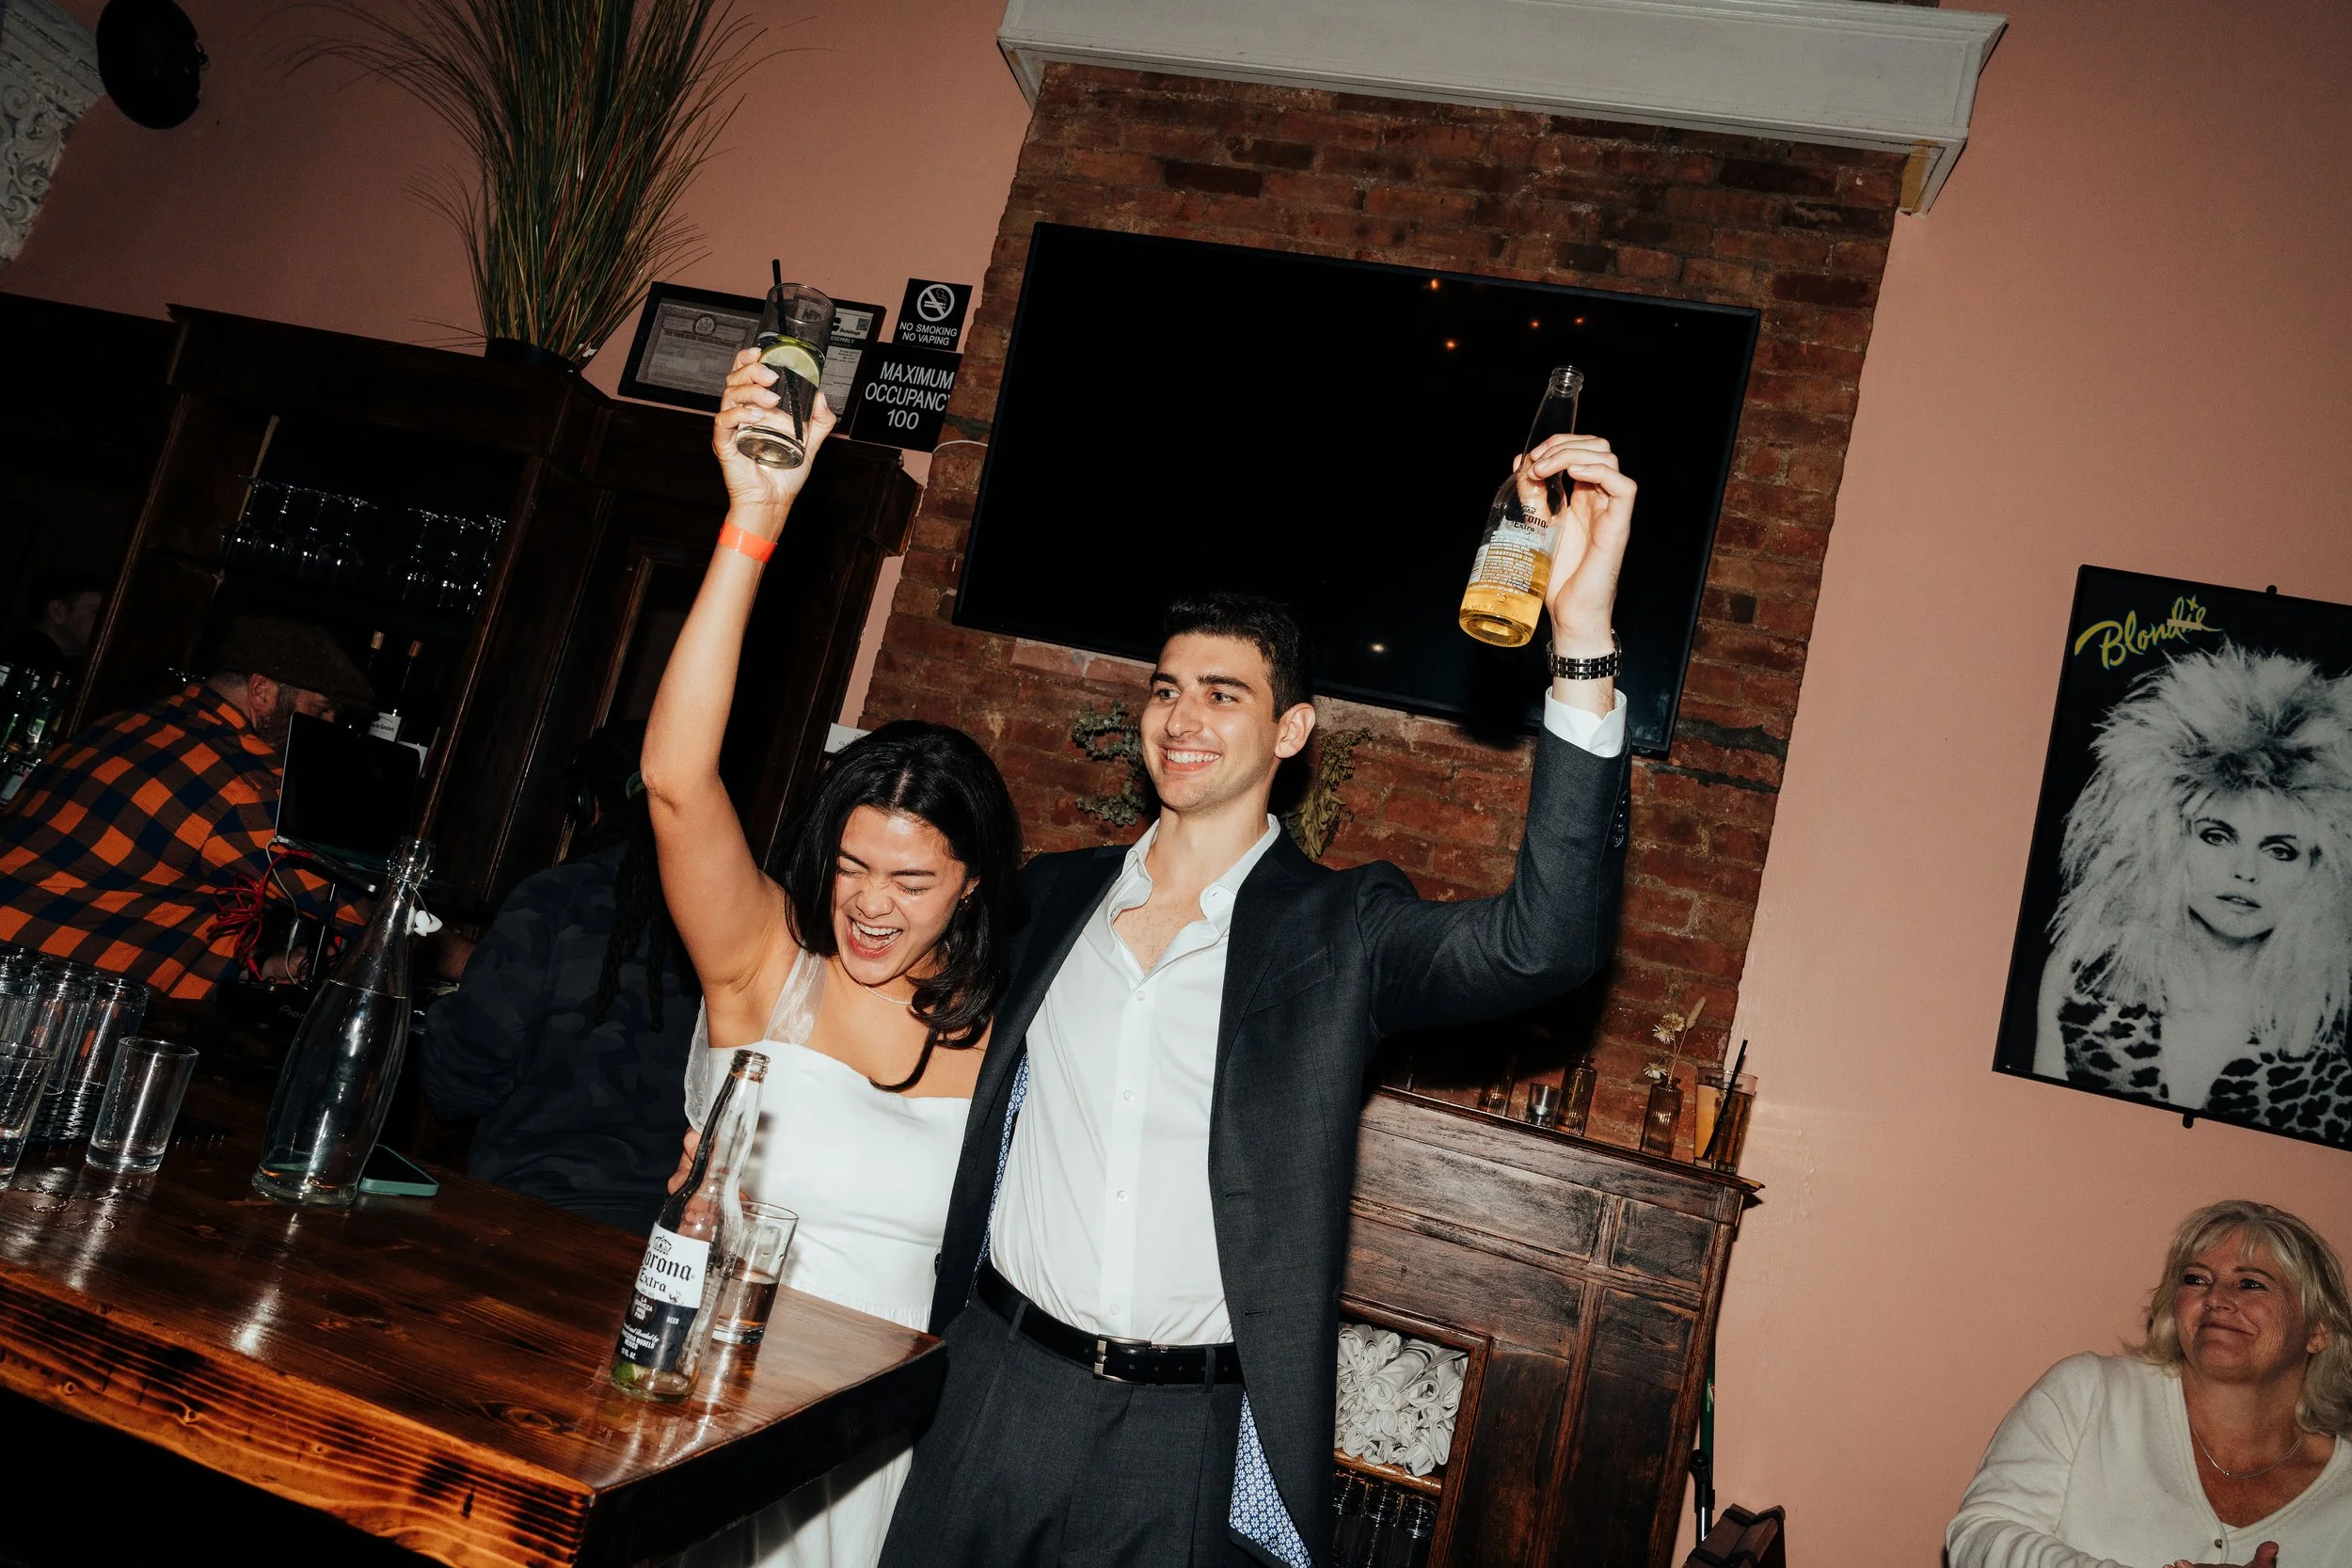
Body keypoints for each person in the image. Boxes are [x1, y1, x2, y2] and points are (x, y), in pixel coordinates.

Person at [866, 433, 1637, 1557]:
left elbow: (1547, 944)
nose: (1181, 717)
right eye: (1167, 687)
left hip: (1180, 1436)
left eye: (1222, 695)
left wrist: (1579, 641)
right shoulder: (1050, 897)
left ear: (1290, 730)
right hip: (993, 1384)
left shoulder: (1342, 931)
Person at [643, 362, 1025, 1568]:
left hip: (878, 1439)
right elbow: (675, 780)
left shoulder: (1006, 1030)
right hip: (707, 1395)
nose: (867, 905)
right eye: (853, 866)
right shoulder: (766, 966)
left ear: (970, 883)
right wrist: (750, 526)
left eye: (912, 883)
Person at [2033, 647, 2352, 1144]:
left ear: (2320, 867)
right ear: (2167, 840)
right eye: (2217, 836)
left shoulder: (2336, 1017)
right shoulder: (2084, 975)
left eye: (2280, 851)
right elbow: (2039, 1139)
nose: (2246, 872)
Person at [1948, 1199, 2352, 1568]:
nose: (2215, 1298)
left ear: (2319, 1329)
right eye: (2196, 1279)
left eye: (2250, 1284)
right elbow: (1982, 1534)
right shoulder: (2090, 1392)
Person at [421, 723, 702, 1233]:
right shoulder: (733, 923)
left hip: (522, 1214)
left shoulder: (555, 898)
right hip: (672, 1235)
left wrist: (444, 1004)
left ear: (586, 803)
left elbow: (458, 1085)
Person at [0, 614, 372, 996]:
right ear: (262, 692)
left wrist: (264, 965)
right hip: (30, 997)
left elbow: (136, 895)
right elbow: (361, 911)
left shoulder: (132, 722)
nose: (328, 729)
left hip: (25, 965)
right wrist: (430, 936)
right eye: (321, 710)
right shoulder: (241, 781)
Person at [3, 565, 107, 678]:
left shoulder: (79, 668)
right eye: (95, 612)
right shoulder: (20, 664)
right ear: (58, 611)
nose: (105, 622)